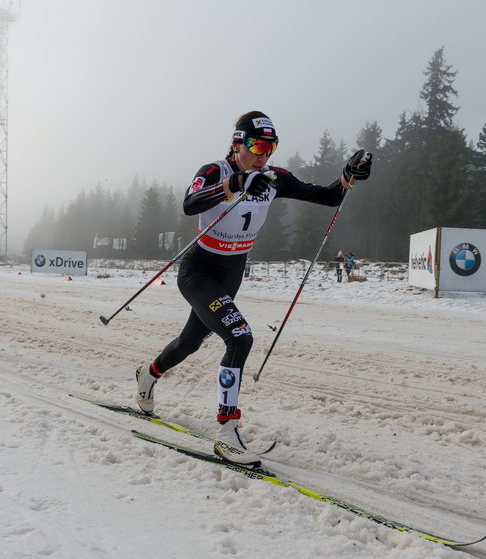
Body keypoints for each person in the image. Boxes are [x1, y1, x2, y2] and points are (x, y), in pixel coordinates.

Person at [134, 111, 371, 466]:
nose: (263, 155)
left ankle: (148, 374)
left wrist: (348, 177)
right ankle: (227, 432)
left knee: (190, 341)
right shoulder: (215, 171)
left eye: (270, 148)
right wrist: (237, 184)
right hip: (198, 270)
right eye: (257, 146)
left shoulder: (274, 178)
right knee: (240, 337)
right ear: (237, 143)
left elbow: (329, 197)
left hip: (231, 272)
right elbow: (189, 204)